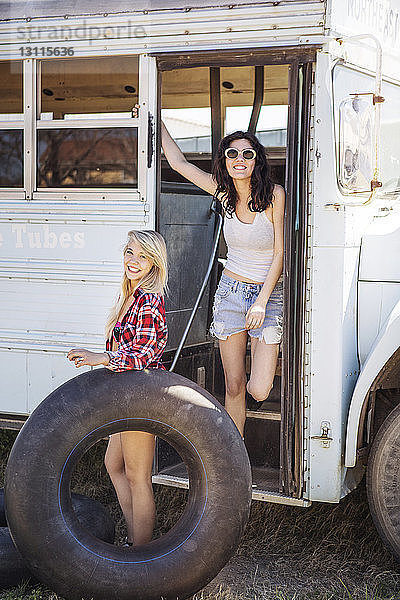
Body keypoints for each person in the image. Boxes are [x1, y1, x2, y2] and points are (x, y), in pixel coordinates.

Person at [161, 122, 284, 436]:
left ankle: (265, 348)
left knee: (258, 389)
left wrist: (260, 303)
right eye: (232, 153)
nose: (239, 158)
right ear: (225, 161)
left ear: (257, 160)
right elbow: (178, 163)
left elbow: (280, 253)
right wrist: (154, 118)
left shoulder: (273, 197)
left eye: (247, 153)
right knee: (234, 384)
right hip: (230, 293)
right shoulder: (224, 193)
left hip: (267, 297)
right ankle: (235, 456)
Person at [67, 229, 168, 546]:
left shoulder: (149, 301)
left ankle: (141, 552)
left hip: (141, 395)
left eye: (143, 256)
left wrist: (100, 357)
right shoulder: (130, 295)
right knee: (114, 464)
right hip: (123, 397)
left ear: (154, 263)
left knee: (139, 476)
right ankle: (135, 536)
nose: (134, 261)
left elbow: (143, 355)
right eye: (130, 252)